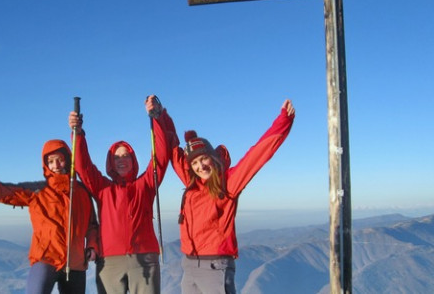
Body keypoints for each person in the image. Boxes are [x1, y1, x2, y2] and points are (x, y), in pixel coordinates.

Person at [171, 99, 295, 294]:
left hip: (215, 268)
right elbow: (173, 151)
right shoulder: (192, 185)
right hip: (189, 266)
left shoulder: (228, 182)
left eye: (204, 159)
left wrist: (283, 121)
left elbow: (257, 155)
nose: (200, 166)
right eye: (194, 164)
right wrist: (160, 116)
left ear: (213, 158)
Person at [0, 139, 98, 294]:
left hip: (75, 263)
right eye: (51, 161)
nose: (56, 165)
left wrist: (92, 246)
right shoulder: (37, 191)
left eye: (60, 160)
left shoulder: (82, 192)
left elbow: (92, 225)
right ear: (46, 164)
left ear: (67, 160)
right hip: (46, 259)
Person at [68, 95, 179, 294]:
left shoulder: (145, 185)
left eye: (126, 155)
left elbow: (161, 157)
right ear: (110, 162)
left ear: (133, 159)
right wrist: (77, 133)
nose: (121, 159)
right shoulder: (102, 188)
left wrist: (157, 117)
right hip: (110, 261)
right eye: (116, 156)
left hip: (145, 259)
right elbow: (83, 166)